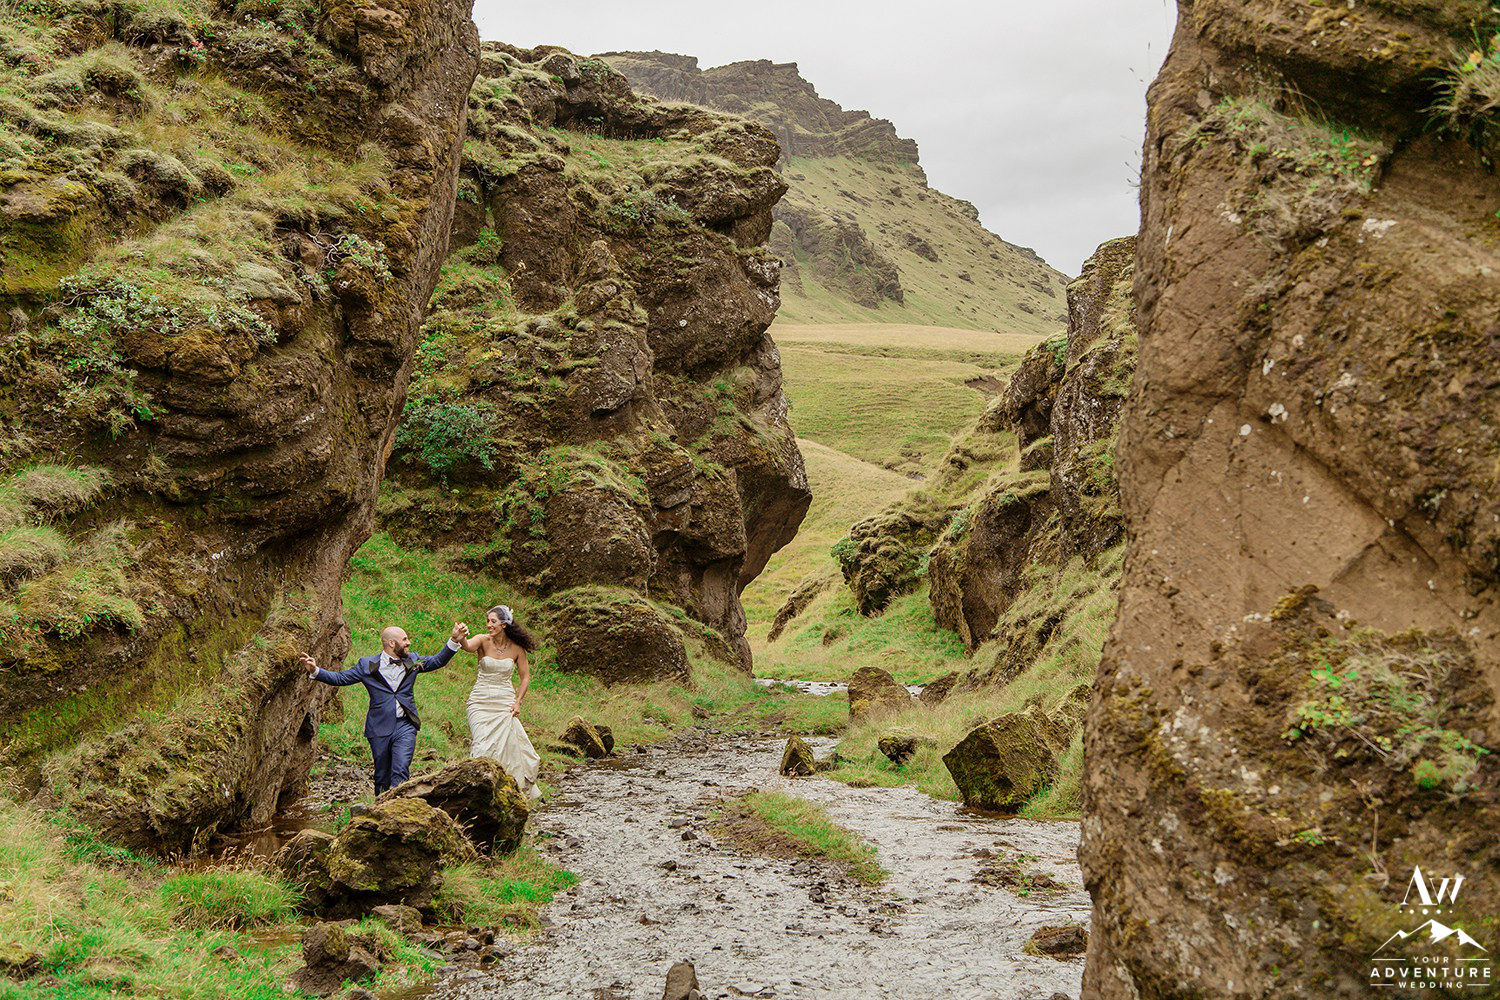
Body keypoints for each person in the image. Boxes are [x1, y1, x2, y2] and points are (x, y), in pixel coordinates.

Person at [298, 622, 468, 795]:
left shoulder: (413, 660)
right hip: (379, 727)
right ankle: (380, 810)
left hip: (405, 725)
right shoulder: (366, 665)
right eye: (405, 639)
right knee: (381, 776)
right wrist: (316, 670)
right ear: (392, 644)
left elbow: (438, 661)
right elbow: (341, 678)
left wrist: (454, 640)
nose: (408, 642)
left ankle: (398, 809)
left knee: (401, 769)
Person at [457, 604, 541, 799]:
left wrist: (518, 701)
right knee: (482, 744)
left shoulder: (517, 648)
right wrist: (461, 637)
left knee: (509, 746)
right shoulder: (482, 641)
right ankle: (478, 790)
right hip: (479, 701)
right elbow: (468, 646)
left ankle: (504, 790)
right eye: (487, 621)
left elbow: (525, 677)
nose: (488, 625)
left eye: (492, 621)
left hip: (504, 702)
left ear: (504, 624)